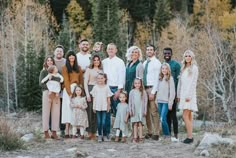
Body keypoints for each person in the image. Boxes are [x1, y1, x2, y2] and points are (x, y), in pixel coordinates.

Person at [102, 43, 126, 141]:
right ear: (106, 50)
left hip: (116, 88)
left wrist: (119, 90)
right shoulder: (104, 62)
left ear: (116, 50)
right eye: (109, 49)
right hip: (106, 89)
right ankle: (107, 133)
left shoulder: (120, 62)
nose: (110, 50)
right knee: (107, 112)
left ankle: (120, 134)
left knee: (118, 112)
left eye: (112, 49)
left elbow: (122, 76)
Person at [177, 50, 199, 144]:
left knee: (185, 115)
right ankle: (190, 136)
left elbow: (194, 83)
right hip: (183, 94)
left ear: (192, 57)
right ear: (184, 57)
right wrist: (179, 95)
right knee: (189, 115)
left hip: (189, 95)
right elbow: (181, 83)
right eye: (186, 56)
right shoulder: (183, 68)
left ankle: (190, 137)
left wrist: (189, 96)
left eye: (189, 56)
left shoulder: (194, 68)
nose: (187, 57)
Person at [61, 50, 83, 138]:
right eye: (69, 56)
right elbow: (66, 80)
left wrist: (80, 91)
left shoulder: (79, 68)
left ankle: (76, 131)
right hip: (68, 89)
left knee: (76, 110)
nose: (71, 57)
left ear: (75, 57)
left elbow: (81, 80)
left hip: (77, 90)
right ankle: (67, 130)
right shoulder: (64, 67)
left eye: (73, 56)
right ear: (67, 58)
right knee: (67, 109)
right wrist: (70, 93)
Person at [39, 56, 60, 139]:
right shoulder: (44, 72)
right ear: (46, 62)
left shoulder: (57, 72)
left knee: (56, 112)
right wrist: (50, 88)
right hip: (47, 93)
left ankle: (54, 132)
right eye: (48, 60)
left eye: (51, 60)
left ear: (53, 62)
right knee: (46, 112)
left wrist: (56, 89)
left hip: (56, 93)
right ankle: (46, 132)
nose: (50, 62)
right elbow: (41, 84)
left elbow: (60, 81)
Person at [143, 45, 161, 140]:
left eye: (151, 50)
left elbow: (158, 79)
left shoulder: (156, 63)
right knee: (146, 112)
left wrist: (153, 92)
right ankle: (149, 131)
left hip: (152, 88)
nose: (149, 51)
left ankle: (156, 132)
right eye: (147, 49)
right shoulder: (145, 63)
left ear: (154, 51)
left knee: (154, 111)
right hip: (144, 88)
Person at [163, 47, 181, 140]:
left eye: (168, 53)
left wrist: (178, 94)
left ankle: (176, 133)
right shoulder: (163, 65)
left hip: (173, 94)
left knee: (173, 114)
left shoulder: (176, 65)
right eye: (165, 53)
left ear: (171, 54)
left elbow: (179, 81)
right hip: (164, 95)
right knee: (166, 115)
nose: (167, 55)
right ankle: (168, 133)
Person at [84, 55, 103, 140]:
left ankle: (94, 132)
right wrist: (87, 94)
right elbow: (85, 83)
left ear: (99, 61)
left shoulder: (101, 70)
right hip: (90, 89)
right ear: (92, 61)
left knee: (96, 111)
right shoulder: (89, 70)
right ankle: (89, 132)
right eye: (94, 60)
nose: (96, 61)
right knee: (90, 111)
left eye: (97, 60)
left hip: (99, 90)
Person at [90, 73, 113, 143]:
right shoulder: (95, 87)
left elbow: (108, 98)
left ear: (105, 79)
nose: (100, 80)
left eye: (102, 78)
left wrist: (108, 106)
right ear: (97, 79)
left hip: (104, 107)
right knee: (99, 122)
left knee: (104, 122)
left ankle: (105, 135)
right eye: (98, 78)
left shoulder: (107, 87)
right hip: (97, 107)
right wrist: (94, 107)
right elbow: (93, 98)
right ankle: (100, 135)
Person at [156, 63, 175, 139]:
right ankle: (164, 135)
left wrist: (170, 102)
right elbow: (157, 90)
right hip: (159, 101)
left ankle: (167, 135)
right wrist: (156, 100)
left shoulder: (170, 79)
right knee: (162, 118)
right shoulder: (159, 78)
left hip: (166, 102)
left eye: (166, 69)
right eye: (163, 68)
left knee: (162, 118)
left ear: (168, 70)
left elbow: (172, 92)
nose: (164, 70)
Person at [129, 78, 147, 143]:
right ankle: (135, 137)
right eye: (135, 83)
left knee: (140, 124)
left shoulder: (143, 92)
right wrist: (130, 111)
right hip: (134, 110)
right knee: (135, 124)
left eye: (138, 83)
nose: (137, 84)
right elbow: (130, 102)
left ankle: (141, 137)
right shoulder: (132, 92)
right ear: (133, 84)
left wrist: (145, 111)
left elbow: (145, 102)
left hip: (140, 110)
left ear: (141, 84)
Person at [53, 44, 66, 136]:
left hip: (63, 88)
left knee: (62, 108)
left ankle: (62, 129)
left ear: (63, 53)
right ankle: (52, 128)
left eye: (60, 51)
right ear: (54, 52)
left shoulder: (65, 61)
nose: (59, 52)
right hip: (52, 88)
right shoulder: (51, 61)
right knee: (53, 109)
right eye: (57, 51)